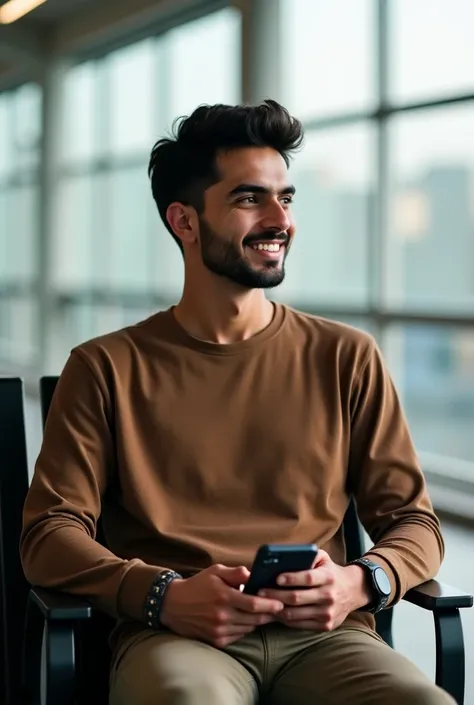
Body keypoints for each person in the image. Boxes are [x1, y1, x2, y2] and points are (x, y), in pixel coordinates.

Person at [21, 100, 454, 705]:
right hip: (176, 637)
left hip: (325, 639)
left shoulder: (347, 356)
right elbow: (48, 534)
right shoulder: (104, 367)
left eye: (287, 198)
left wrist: (362, 580)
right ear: (186, 221)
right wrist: (161, 593)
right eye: (251, 199)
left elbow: (416, 523)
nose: (281, 219)